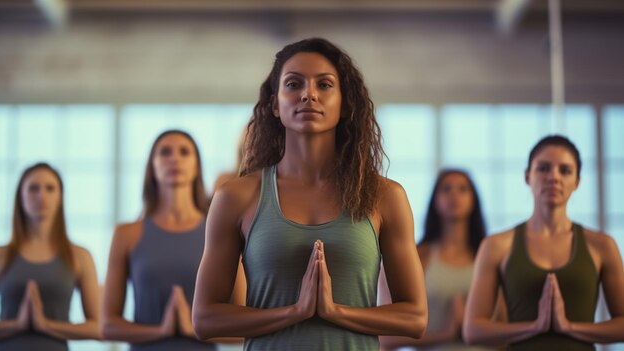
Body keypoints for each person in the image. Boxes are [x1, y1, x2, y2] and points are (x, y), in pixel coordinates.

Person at [192, 37, 428, 351]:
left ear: (345, 104)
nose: (309, 94)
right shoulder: (236, 197)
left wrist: (335, 311)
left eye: (325, 85)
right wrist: (294, 312)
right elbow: (206, 319)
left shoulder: (384, 196)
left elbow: (415, 318)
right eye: (293, 84)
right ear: (275, 104)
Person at [463, 135, 624, 350]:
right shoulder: (497, 245)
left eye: (565, 171)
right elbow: (472, 330)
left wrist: (570, 328)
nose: (554, 177)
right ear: (527, 176)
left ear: (576, 181)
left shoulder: (602, 246)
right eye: (543, 168)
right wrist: (534, 327)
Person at [102, 130, 245, 351]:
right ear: (152, 168)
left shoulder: (220, 231)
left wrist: (192, 328)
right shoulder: (126, 235)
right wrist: (161, 331)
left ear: (197, 166)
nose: (174, 158)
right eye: (165, 152)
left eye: (184, 152)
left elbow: (244, 326)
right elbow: (108, 325)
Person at [380, 169, 495, 351]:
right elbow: (385, 338)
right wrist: (446, 333)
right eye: (446, 189)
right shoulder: (418, 256)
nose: (454, 195)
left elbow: (507, 332)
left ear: (474, 200)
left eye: (463, 189)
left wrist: (472, 328)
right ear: (435, 200)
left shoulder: (489, 255)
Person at [0, 162, 101, 350]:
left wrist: (47, 325)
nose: (41, 196)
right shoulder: (1, 256)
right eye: (33, 189)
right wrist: (17, 325)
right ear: (20, 196)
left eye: (50, 188)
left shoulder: (80, 256)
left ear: (60, 197)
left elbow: (98, 328)